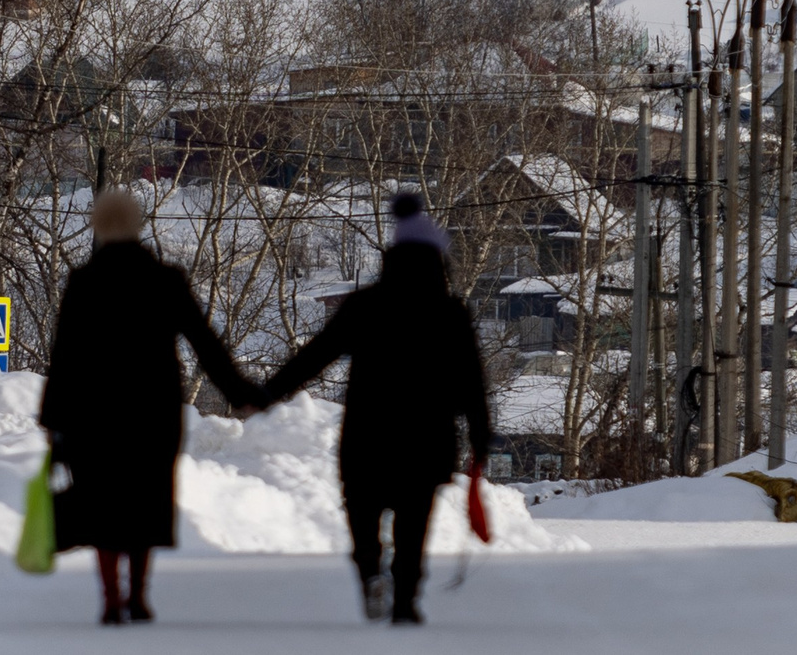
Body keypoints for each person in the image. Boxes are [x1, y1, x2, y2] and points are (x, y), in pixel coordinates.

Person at [254, 192, 491, 626]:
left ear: (392, 257)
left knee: (362, 511)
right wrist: (481, 437)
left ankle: (369, 573)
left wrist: (266, 393)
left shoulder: (365, 305)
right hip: (427, 436)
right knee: (414, 519)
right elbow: (473, 382)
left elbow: (316, 356)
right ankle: (405, 599)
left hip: (368, 434)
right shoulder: (449, 313)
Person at [38, 189, 258, 626]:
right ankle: (138, 595)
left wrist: (53, 418)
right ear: (137, 224)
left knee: (102, 504)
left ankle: (111, 599)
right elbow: (206, 344)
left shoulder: (83, 283)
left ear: (98, 226)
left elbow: (63, 356)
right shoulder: (166, 280)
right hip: (153, 414)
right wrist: (240, 390)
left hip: (93, 416)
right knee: (143, 502)